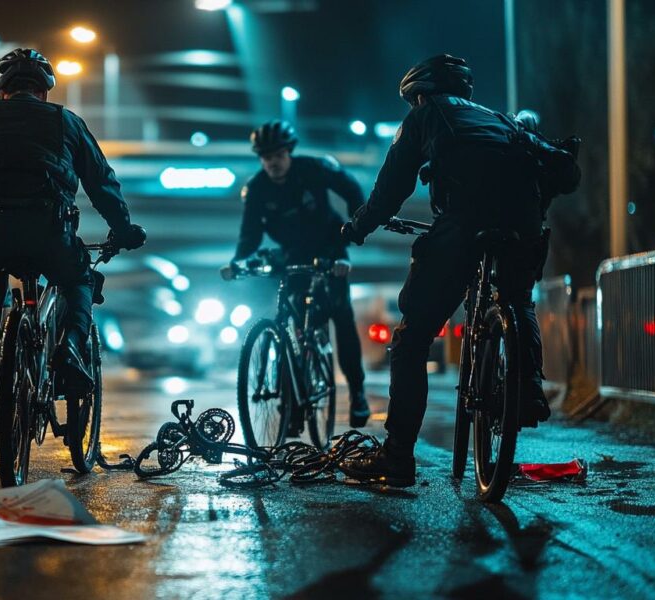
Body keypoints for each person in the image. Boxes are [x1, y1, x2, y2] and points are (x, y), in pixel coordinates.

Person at [339, 54, 580, 487]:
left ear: (420, 94)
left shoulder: (425, 117)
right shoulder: (501, 121)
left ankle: (397, 459)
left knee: (412, 339)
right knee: (516, 297)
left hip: (465, 223)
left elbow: (392, 187)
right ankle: (528, 389)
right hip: (524, 223)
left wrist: (358, 227)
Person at [0, 48, 147, 489]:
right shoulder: (65, 121)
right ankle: (70, 348)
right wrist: (122, 228)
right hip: (51, 237)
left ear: (0, 88)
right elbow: (101, 182)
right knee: (78, 280)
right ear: (45, 88)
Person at [223, 120, 372, 427]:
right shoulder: (257, 188)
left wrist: (356, 228)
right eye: (265, 157)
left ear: (289, 152)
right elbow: (249, 234)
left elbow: (351, 187)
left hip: (330, 248)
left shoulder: (314, 169)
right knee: (294, 325)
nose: (272, 163)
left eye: (277, 155)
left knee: (341, 317)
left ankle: (358, 393)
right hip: (292, 254)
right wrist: (237, 262)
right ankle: (293, 403)